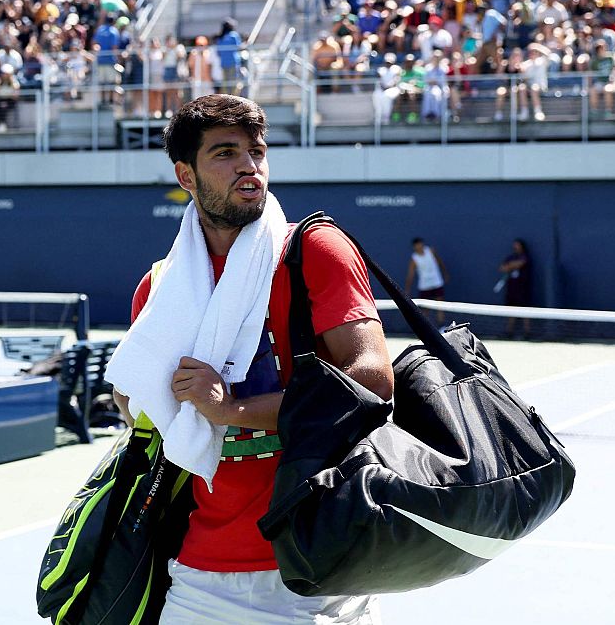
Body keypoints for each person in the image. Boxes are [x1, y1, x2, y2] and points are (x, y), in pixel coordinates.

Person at [114, 94, 391, 624]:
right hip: (199, 571)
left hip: (316, 565)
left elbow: (373, 380)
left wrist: (233, 410)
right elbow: (142, 413)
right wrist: (133, 395)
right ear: (186, 175)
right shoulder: (161, 288)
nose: (248, 164)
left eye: (256, 150)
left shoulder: (314, 251)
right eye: (224, 152)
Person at [405, 237, 448, 325]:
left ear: (422, 244)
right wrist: (407, 289)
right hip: (424, 286)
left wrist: (445, 274)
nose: (419, 246)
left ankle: (442, 327)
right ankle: (424, 329)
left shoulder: (431, 251)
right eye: (417, 245)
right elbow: (411, 275)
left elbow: (440, 262)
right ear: (414, 247)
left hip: (437, 283)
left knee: (440, 306)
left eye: (420, 244)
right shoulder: (414, 258)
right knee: (425, 309)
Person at [499, 238, 533, 338]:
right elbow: (502, 268)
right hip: (512, 289)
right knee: (511, 310)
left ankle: (527, 332)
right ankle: (509, 332)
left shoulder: (526, 257)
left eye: (518, 245)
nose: (515, 247)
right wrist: (511, 265)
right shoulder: (511, 257)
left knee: (525, 310)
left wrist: (511, 265)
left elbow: (521, 263)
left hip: (523, 289)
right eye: (515, 245)